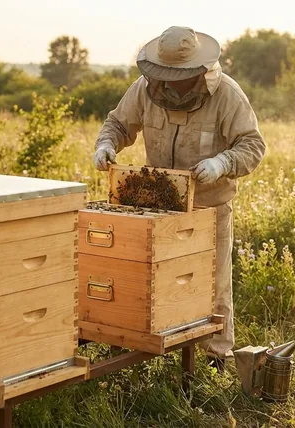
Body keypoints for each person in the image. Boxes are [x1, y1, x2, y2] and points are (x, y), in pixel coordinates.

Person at [93, 26, 266, 365]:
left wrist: (223, 162)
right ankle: (152, 347)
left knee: (212, 284)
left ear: (198, 71)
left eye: (177, 75)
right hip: (156, 208)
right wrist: (106, 144)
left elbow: (253, 145)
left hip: (209, 206)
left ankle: (217, 355)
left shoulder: (228, 95)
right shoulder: (144, 90)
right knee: (154, 280)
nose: (169, 81)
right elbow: (118, 124)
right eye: (164, 74)